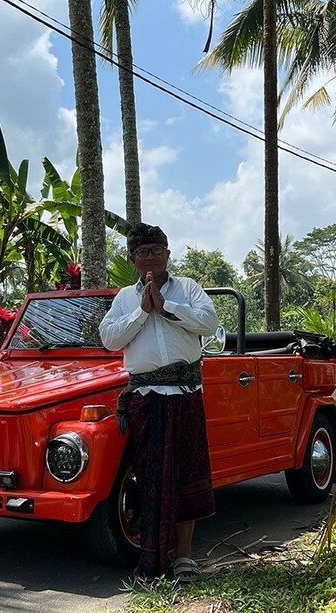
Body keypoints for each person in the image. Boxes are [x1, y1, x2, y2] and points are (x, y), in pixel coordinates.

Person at [99, 223, 218, 583]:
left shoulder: (189, 289)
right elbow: (108, 339)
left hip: (184, 396)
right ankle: (151, 562)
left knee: (187, 476)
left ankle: (184, 557)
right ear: (132, 258)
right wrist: (141, 311)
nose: (149, 257)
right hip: (146, 399)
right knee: (149, 478)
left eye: (155, 250)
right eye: (141, 252)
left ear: (168, 253)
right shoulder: (123, 298)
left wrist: (166, 308)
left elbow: (210, 323)